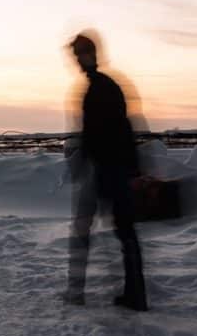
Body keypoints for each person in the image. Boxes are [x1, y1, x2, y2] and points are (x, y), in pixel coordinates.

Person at [63, 31, 148, 311]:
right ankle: (134, 295)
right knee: (122, 232)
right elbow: (122, 128)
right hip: (111, 169)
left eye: (79, 54)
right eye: (75, 55)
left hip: (105, 170)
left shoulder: (100, 87)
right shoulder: (104, 85)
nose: (77, 60)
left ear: (90, 54)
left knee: (88, 231)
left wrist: (87, 158)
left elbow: (107, 132)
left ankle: (78, 293)